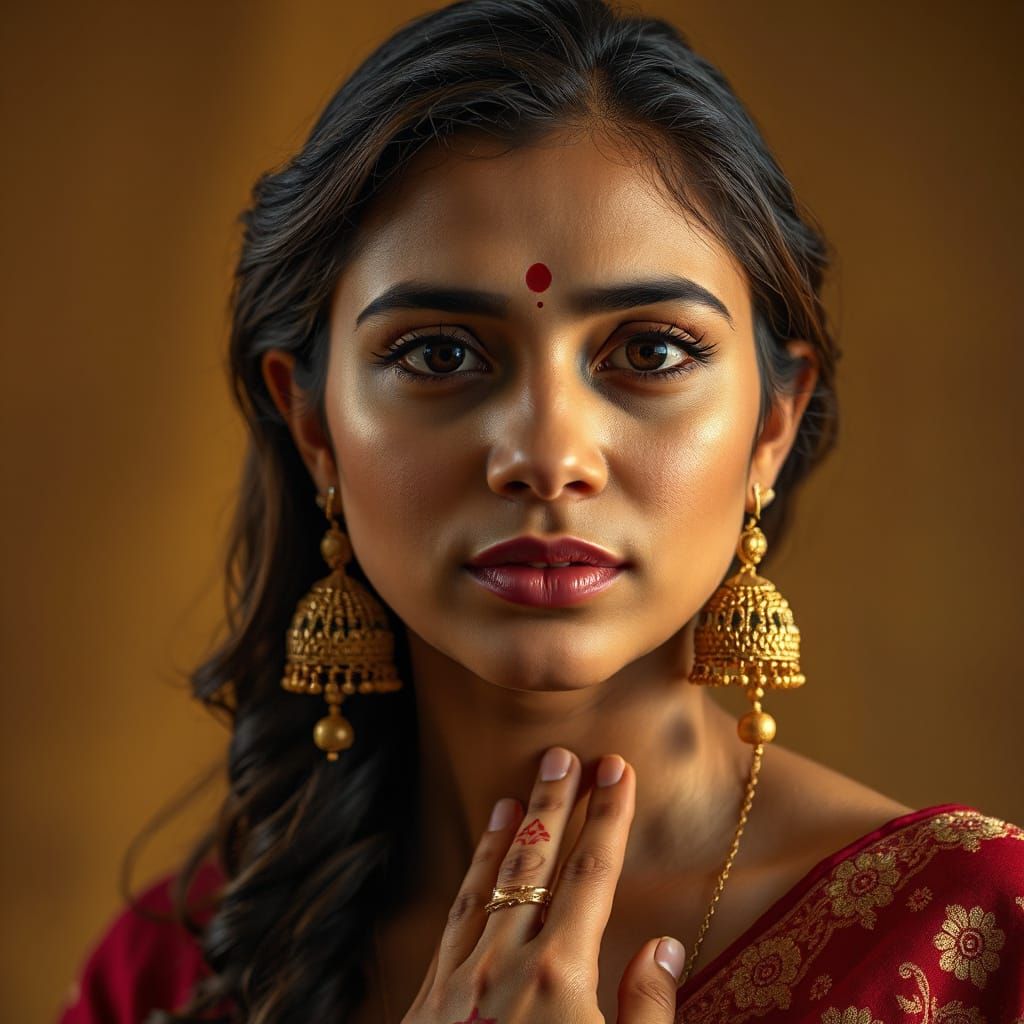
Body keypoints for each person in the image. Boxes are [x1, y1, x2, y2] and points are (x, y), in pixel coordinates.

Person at [58, 0, 1024, 1021]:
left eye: (649, 352)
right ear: (313, 424)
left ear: (771, 421)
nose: (547, 457)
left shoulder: (972, 943)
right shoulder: (182, 973)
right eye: (439, 354)